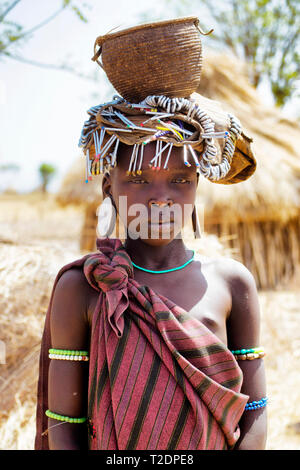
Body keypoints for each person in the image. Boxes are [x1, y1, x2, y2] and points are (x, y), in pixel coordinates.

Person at [35, 21, 267, 451]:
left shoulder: (233, 283)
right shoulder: (82, 288)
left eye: (180, 179)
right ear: (110, 189)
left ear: (198, 187)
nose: (160, 199)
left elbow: (255, 415)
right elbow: (64, 426)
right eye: (139, 179)